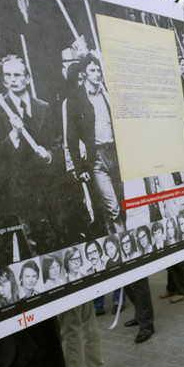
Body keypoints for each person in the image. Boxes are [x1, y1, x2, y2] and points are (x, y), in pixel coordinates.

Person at [0, 55, 62, 256]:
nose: (12, 79)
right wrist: (14, 135)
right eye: (7, 75)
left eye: (17, 75)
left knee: (52, 243)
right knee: (31, 247)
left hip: (45, 189)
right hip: (18, 194)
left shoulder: (43, 107)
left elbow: (56, 143)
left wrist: (49, 154)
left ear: (27, 78)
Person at [67, 52, 126, 235]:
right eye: (92, 70)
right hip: (97, 159)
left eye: (98, 69)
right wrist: (79, 167)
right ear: (84, 73)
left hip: (114, 153)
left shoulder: (106, 93)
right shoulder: (76, 98)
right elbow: (71, 136)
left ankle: (115, 242)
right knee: (112, 207)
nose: (97, 73)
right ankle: (124, 243)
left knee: (121, 206)